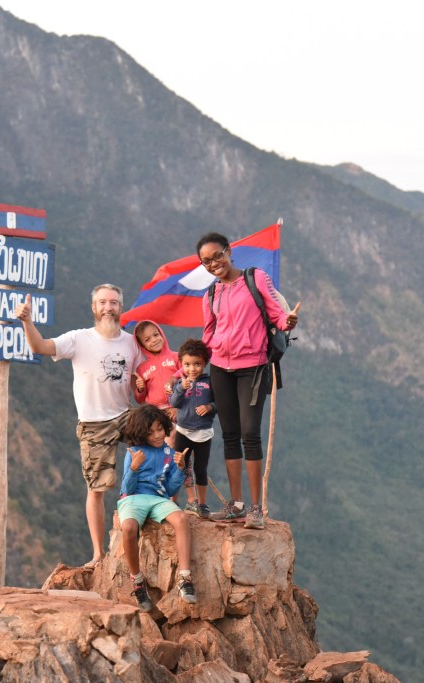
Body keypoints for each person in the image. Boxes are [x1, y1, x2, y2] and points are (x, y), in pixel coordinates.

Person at [15, 284, 139, 567]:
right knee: (96, 488)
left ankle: (161, 510)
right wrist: (27, 322)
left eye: (113, 303)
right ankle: (98, 554)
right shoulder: (79, 339)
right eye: (102, 302)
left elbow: (143, 377)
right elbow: (40, 347)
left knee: (158, 443)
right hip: (94, 423)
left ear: (121, 308)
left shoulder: (132, 343)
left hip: (125, 415)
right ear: (93, 308)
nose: (108, 307)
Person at [197, 232, 300, 529]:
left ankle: (256, 509)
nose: (214, 263)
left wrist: (288, 321)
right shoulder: (211, 294)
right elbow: (208, 332)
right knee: (230, 434)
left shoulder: (255, 278)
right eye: (206, 261)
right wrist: (191, 368)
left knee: (250, 433)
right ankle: (236, 505)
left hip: (252, 367)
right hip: (220, 367)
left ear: (229, 251)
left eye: (217, 255)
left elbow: (277, 315)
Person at [117, 405, 197, 611]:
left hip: (158, 499)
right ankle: (137, 580)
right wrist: (134, 468)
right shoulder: (134, 452)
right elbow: (127, 488)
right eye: (150, 432)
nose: (157, 435)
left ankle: (185, 578)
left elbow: (170, 488)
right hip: (134, 497)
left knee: (181, 519)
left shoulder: (169, 453)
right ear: (141, 433)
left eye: (160, 429)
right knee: (128, 528)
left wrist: (180, 468)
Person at [168, 338, 216, 518]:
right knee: (178, 466)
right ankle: (172, 501)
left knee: (200, 469)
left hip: (203, 434)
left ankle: (202, 504)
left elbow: (221, 403)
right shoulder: (180, 383)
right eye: (187, 364)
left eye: (197, 364)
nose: (192, 369)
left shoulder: (210, 382)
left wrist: (210, 407)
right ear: (181, 364)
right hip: (183, 432)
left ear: (204, 363)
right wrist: (181, 388)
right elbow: (173, 402)